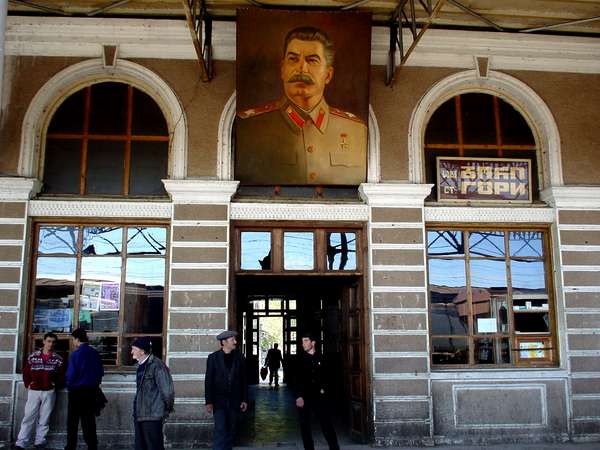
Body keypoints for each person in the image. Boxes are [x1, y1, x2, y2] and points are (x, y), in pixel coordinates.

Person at [236, 26, 367, 186]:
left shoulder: (356, 130)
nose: (301, 68)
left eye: (312, 60)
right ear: (282, 69)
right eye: (293, 59)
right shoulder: (248, 127)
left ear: (328, 74)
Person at [15, 332, 64, 450]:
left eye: (53, 342)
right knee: (28, 416)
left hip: (49, 391)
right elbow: (26, 373)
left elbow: (62, 376)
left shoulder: (58, 359)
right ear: (43, 342)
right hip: (34, 391)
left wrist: (55, 385)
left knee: (45, 417)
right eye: (48, 341)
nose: (50, 344)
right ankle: (21, 442)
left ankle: (39, 441)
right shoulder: (33, 356)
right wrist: (28, 384)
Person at [294, 332, 339, 450]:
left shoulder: (322, 358)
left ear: (313, 343)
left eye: (305, 341)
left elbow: (330, 376)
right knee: (305, 427)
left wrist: (325, 390)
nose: (302, 344)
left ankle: (334, 448)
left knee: (326, 424)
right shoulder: (299, 359)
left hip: (320, 396)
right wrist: (298, 396)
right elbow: (296, 379)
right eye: (302, 341)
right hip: (304, 397)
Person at [204, 330, 248, 450]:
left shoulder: (239, 357)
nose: (235, 342)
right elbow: (209, 381)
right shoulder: (213, 358)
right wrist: (209, 401)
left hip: (235, 401)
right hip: (219, 401)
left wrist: (244, 399)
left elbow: (244, 380)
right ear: (224, 342)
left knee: (231, 431)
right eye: (232, 340)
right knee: (220, 429)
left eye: (235, 339)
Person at [131, 337, 174, 450]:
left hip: (152, 414)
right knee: (141, 446)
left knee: (153, 446)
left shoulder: (157, 365)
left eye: (134, 349)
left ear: (142, 351)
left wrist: (166, 409)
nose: (131, 352)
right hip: (140, 414)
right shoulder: (141, 365)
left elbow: (167, 391)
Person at [64, 328, 104, 450]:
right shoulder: (95, 353)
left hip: (77, 392)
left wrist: (69, 385)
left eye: (73, 339)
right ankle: (92, 446)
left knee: (73, 422)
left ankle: (71, 446)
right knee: (89, 422)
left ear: (76, 339)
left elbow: (70, 375)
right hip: (92, 391)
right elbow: (100, 373)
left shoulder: (75, 354)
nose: (73, 342)